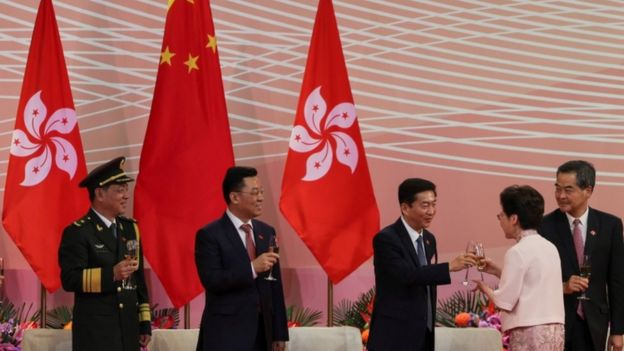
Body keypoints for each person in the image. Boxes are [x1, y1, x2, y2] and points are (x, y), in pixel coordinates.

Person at [367, 178, 477, 351]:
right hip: (394, 335)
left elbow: (425, 279)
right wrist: (449, 266)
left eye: (434, 204)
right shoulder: (386, 239)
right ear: (405, 207)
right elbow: (407, 275)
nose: (431, 211)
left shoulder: (428, 239)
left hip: (423, 334)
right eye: (425, 205)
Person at [58, 157, 151, 351]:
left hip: (128, 329)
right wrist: (112, 274)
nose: (126, 195)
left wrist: (144, 323)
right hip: (96, 333)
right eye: (119, 190)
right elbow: (70, 279)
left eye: (126, 189)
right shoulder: (78, 231)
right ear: (99, 193)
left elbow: (138, 279)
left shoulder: (130, 229)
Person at [195, 166, 288, 351]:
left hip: (263, 334)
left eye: (261, 192)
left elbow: (274, 284)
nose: (261, 197)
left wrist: (279, 332)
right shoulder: (210, 235)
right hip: (226, 335)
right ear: (234, 197)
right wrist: (252, 268)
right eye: (254, 193)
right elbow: (212, 280)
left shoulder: (266, 231)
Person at [539, 160, 624, 351]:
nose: (561, 195)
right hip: (556, 322)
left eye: (568, 190)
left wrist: (618, 330)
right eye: (557, 188)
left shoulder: (610, 225)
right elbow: (536, 278)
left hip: (595, 323)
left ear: (588, 190)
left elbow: (617, 281)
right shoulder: (544, 226)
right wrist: (563, 286)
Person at [474, 185, 564, 350]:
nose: (500, 218)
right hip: (555, 331)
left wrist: (484, 288)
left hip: (529, 331)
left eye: (502, 214)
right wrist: (498, 271)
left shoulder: (516, 251)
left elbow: (504, 301)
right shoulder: (550, 247)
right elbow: (532, 284)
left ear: (514, 218)